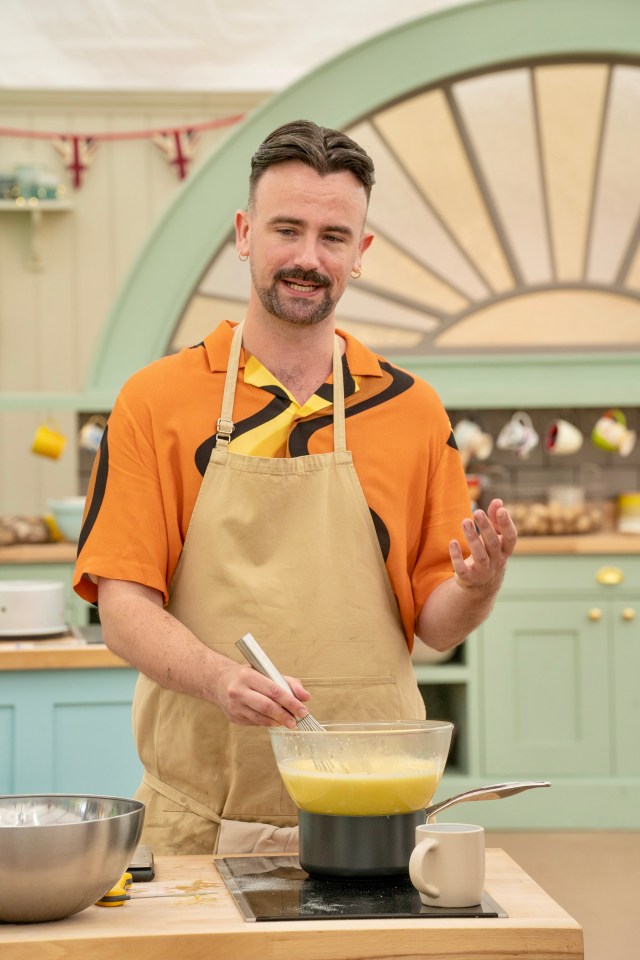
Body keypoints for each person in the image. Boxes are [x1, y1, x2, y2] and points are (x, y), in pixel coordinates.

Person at [73, 119, 517, 856]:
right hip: (198, 821)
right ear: (244, 234)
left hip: (372, 814)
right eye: (287, 230)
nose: (308, 258)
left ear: (361, 253)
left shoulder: (411, 409)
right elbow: (123, 609)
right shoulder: (154, 401)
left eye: (334, 237)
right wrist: (219, 680)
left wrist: (478, 587)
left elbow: (436, 626)